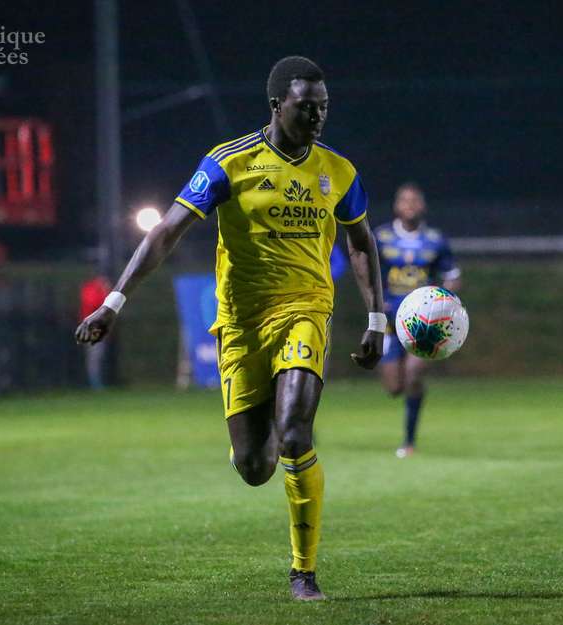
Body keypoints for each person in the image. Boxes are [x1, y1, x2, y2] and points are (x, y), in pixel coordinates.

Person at [75, 56, 384, 601]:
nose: (317, 116)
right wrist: (114, 302)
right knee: (254, 466)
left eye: (324, 107)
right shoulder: (228, 163)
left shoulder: (338, 172)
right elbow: (165, 233)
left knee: (294, 433)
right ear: (276, 106)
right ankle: (258, 439)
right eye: (305, 106)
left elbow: (360, 242)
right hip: (240, 323)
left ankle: (303, 573)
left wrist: (376, 317)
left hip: (305, 309)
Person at [374, 182, 461, 458]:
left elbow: (453, 275)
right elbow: (368, 272)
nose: (409, 205)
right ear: (396, 206)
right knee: (394, 387)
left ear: (422, 206)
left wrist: (445, 300)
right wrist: (376, 301)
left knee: (412, 374)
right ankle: (410, 390)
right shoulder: (381, 237)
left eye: (415, 201)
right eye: (404, 201)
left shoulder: (435, 239)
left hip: (424, 324)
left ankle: (409, 441)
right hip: (389, 323)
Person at [79, 273, 112, 389]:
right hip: (90, 327)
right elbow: (94, 304)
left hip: (100, 326)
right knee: (94, 356)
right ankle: (93, 382)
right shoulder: (90, 288)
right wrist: (103, 291)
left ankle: (98, 380)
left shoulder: (102, 290)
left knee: (99, 355)